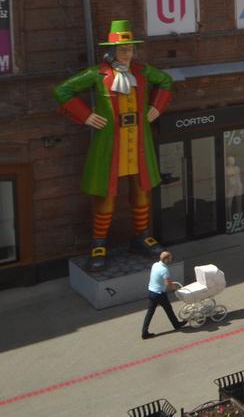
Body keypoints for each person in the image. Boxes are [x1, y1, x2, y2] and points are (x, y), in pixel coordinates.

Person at [53, 20, 174, 271]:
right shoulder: (98, 74)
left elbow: (165, 81)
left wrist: (155, 108)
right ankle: (99, 244)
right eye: (122, 49)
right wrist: (85, 115)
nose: (127, 53)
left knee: (141, 190)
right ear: (111, 51)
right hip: (110, 144)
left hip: (138, 141)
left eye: (130, 49)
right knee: (105, 194)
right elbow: (63, 91)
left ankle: (142, 236)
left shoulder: (141, 72)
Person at [141, 250, 185, 339]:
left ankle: (144, 332)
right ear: (166, 259)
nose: (171, 260)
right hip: (159, 294)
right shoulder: (165, 270)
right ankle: (176, 325)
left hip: (151, 292)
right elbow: (168, 283)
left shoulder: (155, 265)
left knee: (150, 312)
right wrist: (175, 289)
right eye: (170, 258)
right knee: (168, 308)